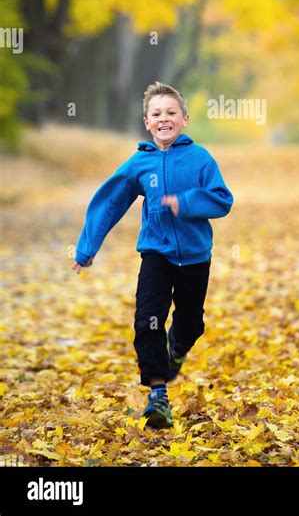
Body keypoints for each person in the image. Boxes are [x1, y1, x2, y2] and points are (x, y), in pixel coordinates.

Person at [72, 82, 234, 429]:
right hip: (156, 254)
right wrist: (87, 249)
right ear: (147, 122)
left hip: (194, 256)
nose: (164, 119)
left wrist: (187, 203)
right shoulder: (138, 164)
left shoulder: (200, 159)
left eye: (171, 112)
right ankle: (157, 395)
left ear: (185, 119)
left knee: (190, 324)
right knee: (148, 319)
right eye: (157, 113)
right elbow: (110, 203)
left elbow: (223, 201)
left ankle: (178, 348)